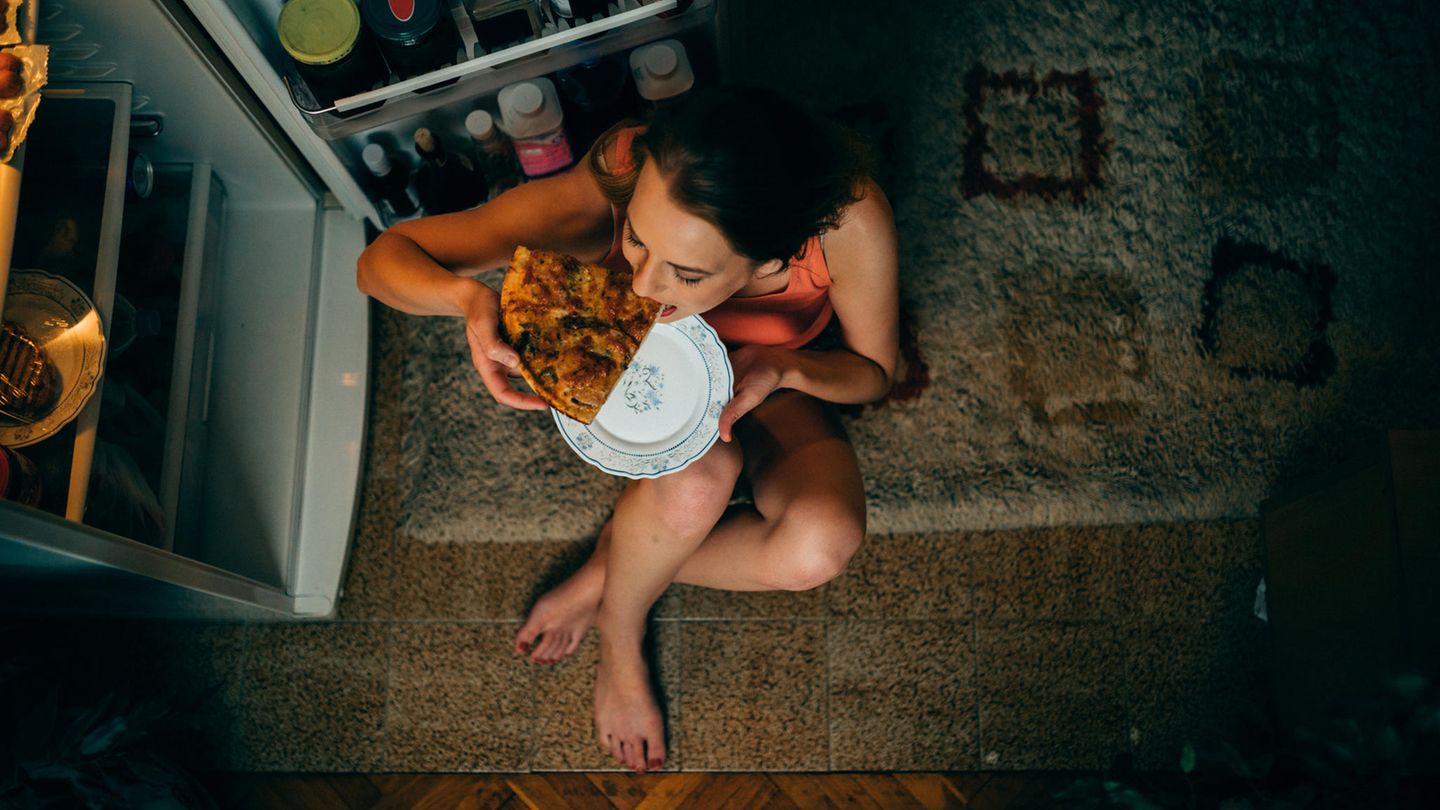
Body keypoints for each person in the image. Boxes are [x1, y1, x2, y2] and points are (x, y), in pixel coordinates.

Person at [356, 84, 900, 775]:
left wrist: (786, 367)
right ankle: (621, 630)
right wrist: (468, 299)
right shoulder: (621, 171)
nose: (644, 286)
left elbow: (876, 372)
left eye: (688, 273)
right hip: (629, 385)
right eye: (638, 240)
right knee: (698, 485)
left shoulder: (846, 221)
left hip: (769, 379)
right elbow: (379, 263)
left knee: (820, 548)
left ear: (771, 259)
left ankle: (617, 564)